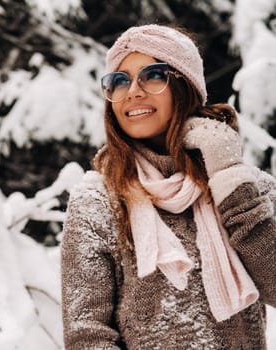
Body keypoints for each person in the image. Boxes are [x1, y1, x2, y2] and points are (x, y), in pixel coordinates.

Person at [60, 24, 276, 349]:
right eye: (119, 81)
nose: (133, 91)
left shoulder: (247, 189)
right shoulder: (97, 201)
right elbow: (87, 337)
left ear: (184, 84)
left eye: (153, 75)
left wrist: (228, 177)